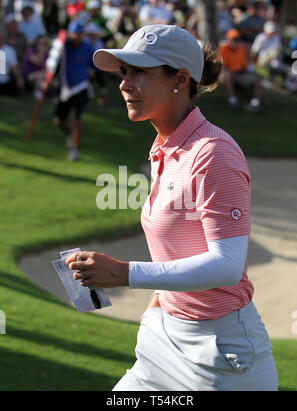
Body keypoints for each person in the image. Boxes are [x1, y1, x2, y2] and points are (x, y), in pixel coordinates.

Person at [66, 24, 278, 391]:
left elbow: (227, 265)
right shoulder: (164, 147)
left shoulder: (213, 153)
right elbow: (181, 243)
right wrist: (159, 302)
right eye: (124, 72)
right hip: (163, 340)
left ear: (179, 79)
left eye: (139, 72)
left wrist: (125, 274)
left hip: (221, 359)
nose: (124, 83)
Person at [53, 20, 94, 161]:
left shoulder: (87, 47)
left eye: (78, 33)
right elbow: (54, 59)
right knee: (58, 120)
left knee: (77, 119)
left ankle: (75, 150)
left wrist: (101, 85)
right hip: (66, 88)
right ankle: (71, 135)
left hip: (82, 87)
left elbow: (94, 65)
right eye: (73, 33)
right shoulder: (64, 46)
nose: (76, 36)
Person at [219, 28, 262, 111]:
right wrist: (235, 76)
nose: (235, 41)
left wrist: (248, 71)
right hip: (229, 74)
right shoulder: (223, 48)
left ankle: (255, 102)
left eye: (237, 39)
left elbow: (244, 65)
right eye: (233, 39)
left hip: (240, 73)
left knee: (257, 79)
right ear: (228, 39)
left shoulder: (241, 49)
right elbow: (223, 67)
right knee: (228, 75)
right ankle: (232, 100)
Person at [0, 28, 24, 96]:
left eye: (1, 36)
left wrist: (19, 78)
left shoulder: (10, 51)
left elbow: (14, 67)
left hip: (4, 82)